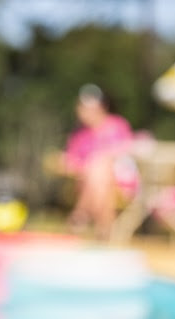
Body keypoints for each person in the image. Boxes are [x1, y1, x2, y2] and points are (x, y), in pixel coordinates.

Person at [48, 84, 139, 239]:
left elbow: (125, 153)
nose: (83, 112)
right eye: (82, 107)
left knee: (99, 169)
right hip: (90, 182)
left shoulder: (117, 126)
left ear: (102, 107)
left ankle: (80, 216)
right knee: (98, 174)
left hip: (119, 182)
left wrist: (92, 163)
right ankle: (103, 230)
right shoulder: (80, 135)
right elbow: (71, 162)